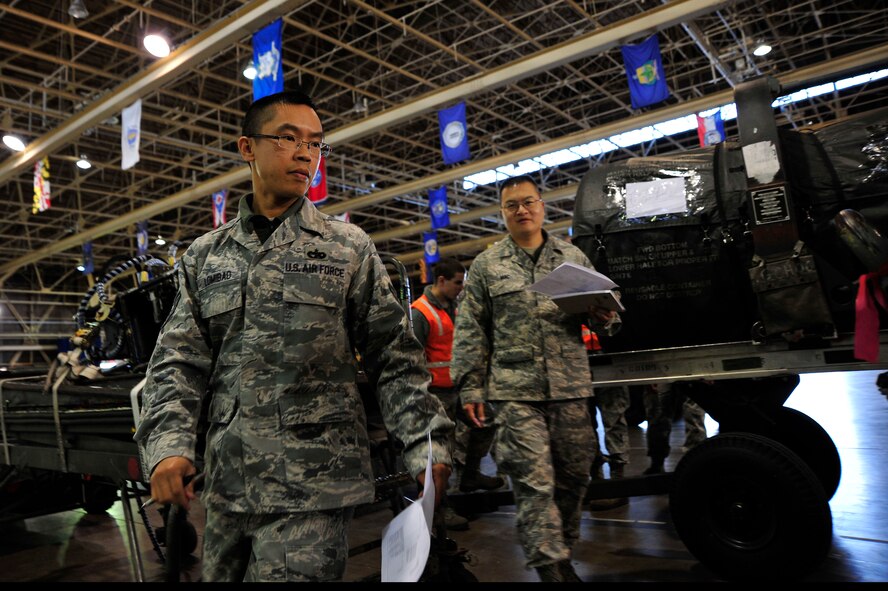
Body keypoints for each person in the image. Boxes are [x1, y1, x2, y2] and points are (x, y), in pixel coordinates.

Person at [133, 89, 455, 583]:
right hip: (228, 485)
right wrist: (169, 447)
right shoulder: (204, 257)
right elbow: (177, 361)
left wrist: (423, 443)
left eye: (316, 144)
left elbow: (393, 355)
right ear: (247, 147)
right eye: (288, 138)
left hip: (314, 483)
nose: (306, 153)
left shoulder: (346, 247)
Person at [451, 175, 620, 583]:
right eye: (512, 205)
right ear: (503, 213)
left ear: (542, 206)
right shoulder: (489, 266)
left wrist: (605, 315)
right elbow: (471, 328)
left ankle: (560, 554)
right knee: (533, 482)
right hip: (514, 392)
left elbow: (611, 316)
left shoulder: (572, 258)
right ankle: (550, 569)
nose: (521, 210)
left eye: (528, 202)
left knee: (575, 477)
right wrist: (471, 386)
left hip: (569, 388)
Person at [410, 257, 504, 531]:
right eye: (457, 283)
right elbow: (411, 359)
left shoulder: (455, 307)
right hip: (435, 393)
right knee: (441, 454)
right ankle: (442, 509)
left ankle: (471, 475)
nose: (460, 288)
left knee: (486, 423)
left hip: (459, 387)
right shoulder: (420, 312)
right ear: (441, 281)